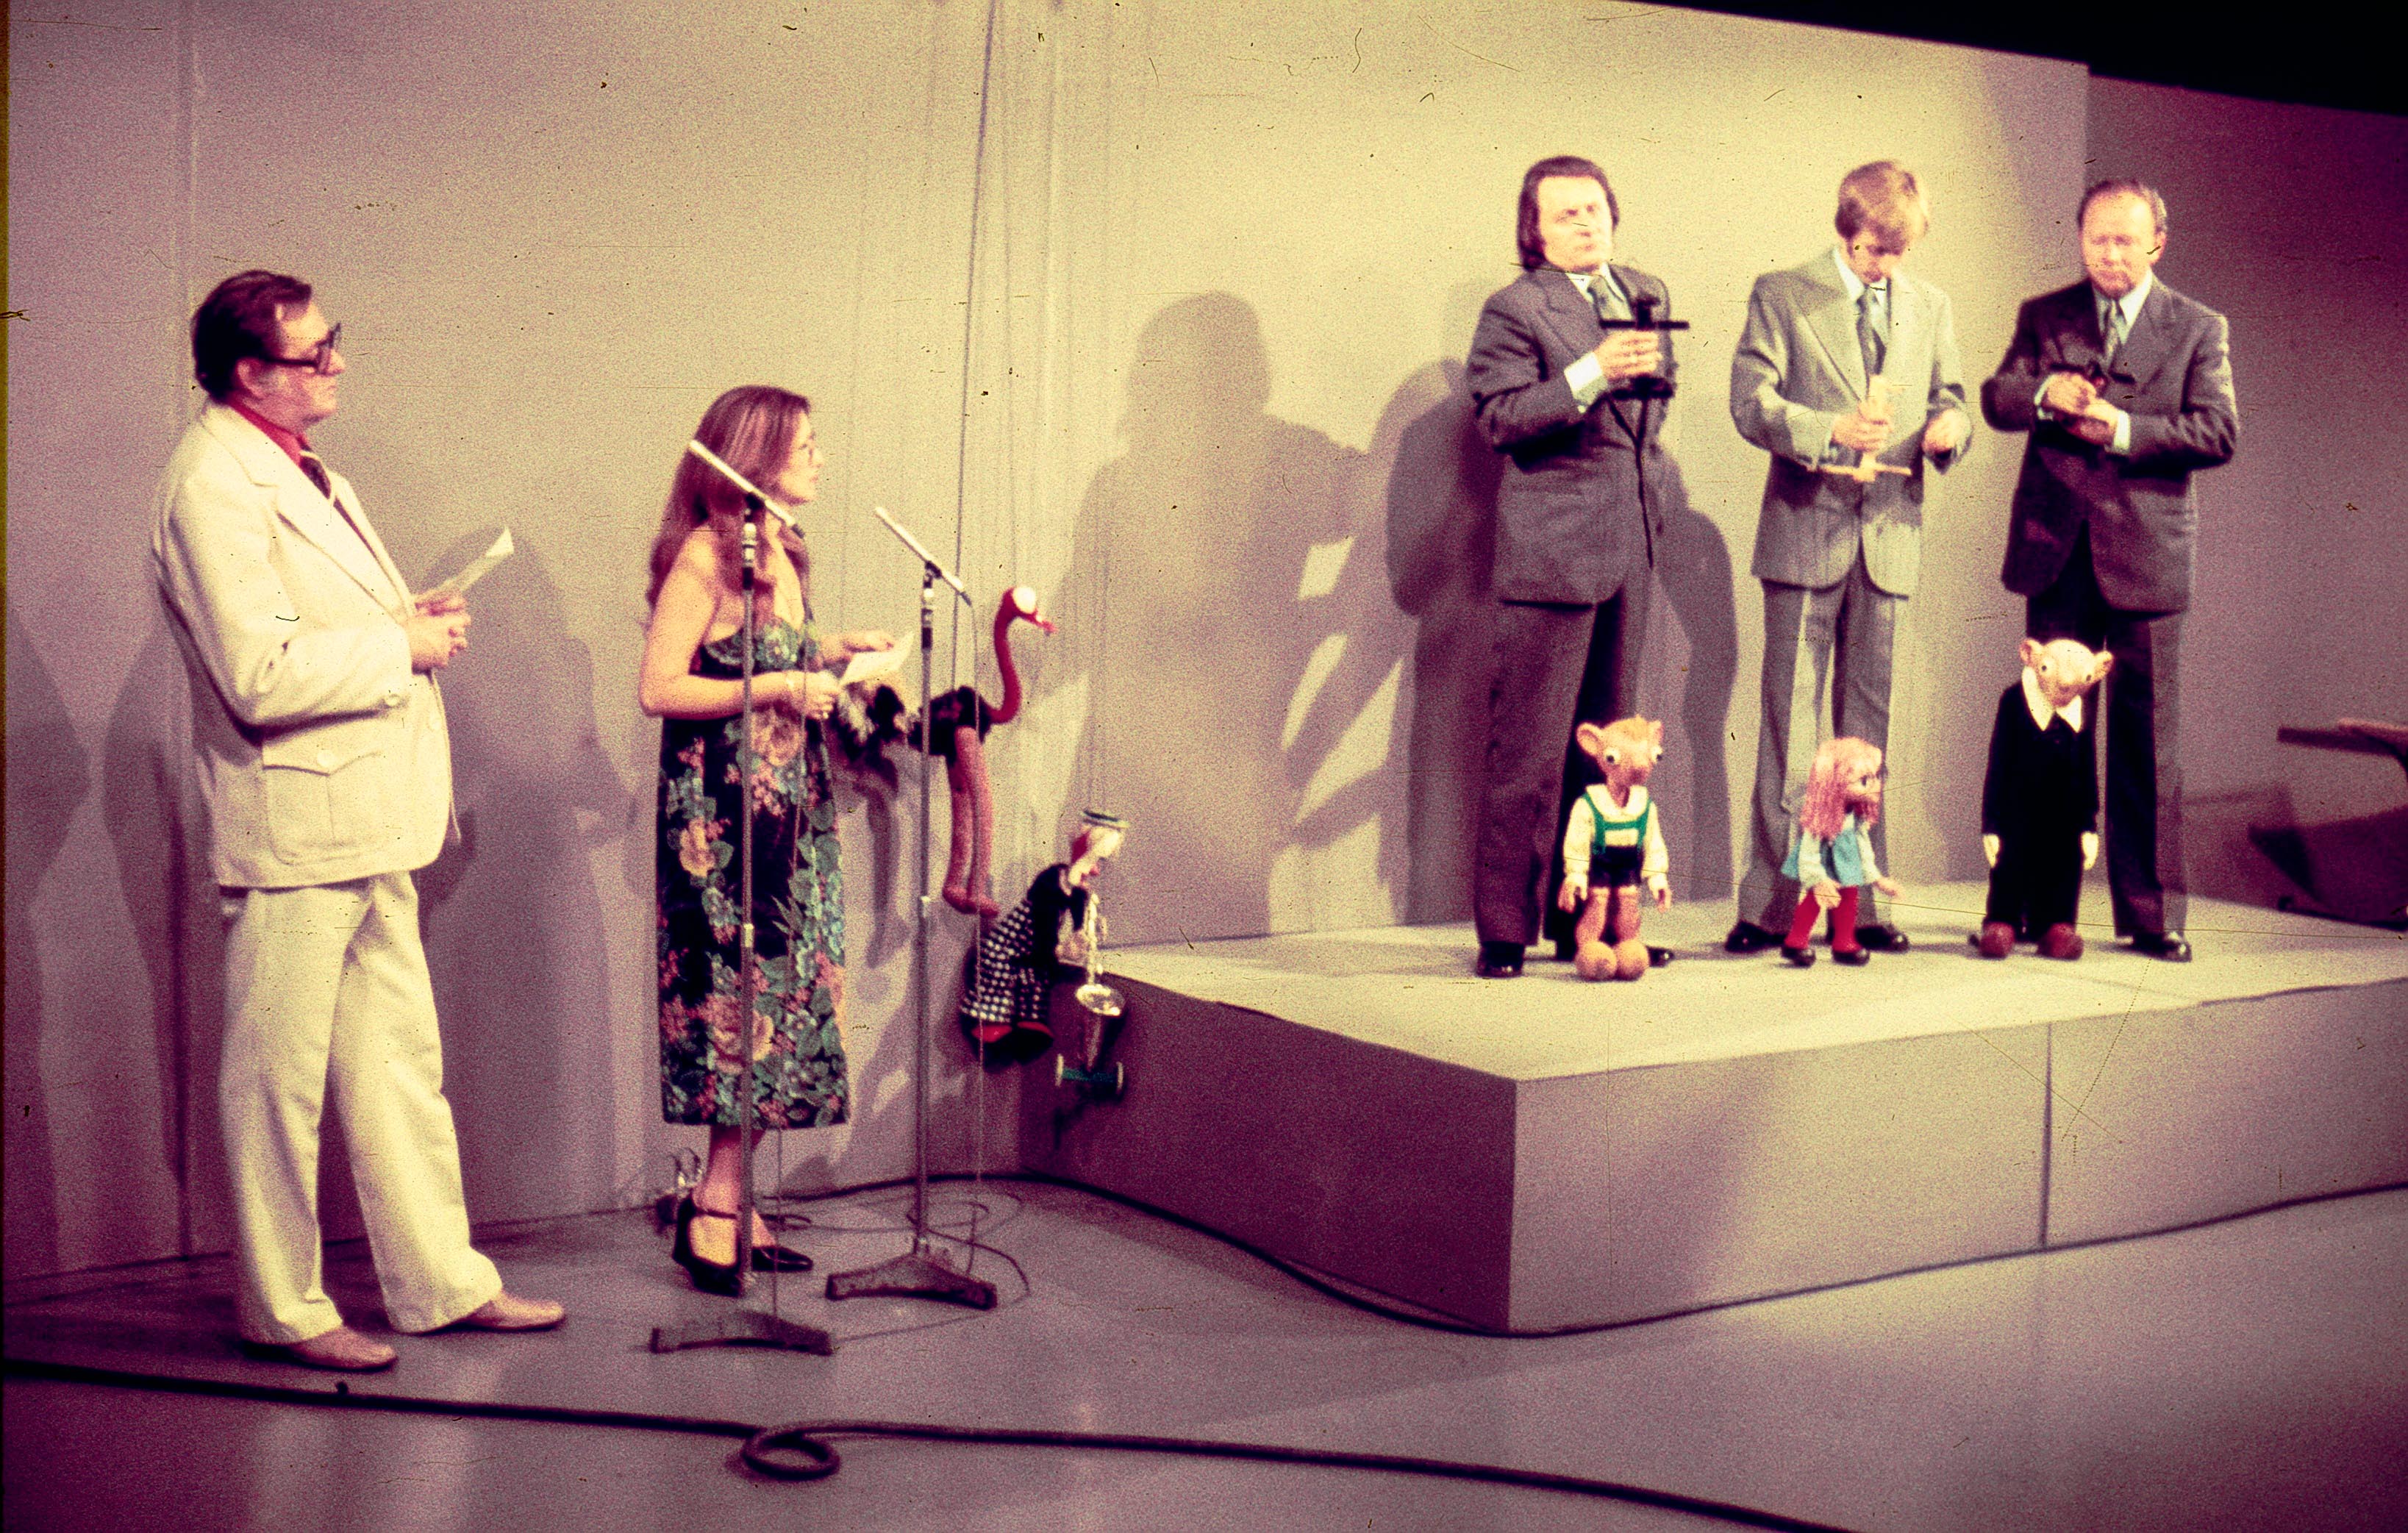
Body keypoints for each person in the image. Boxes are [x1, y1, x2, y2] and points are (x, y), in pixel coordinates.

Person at [152, 270, 562, 1372]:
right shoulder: (212, 484)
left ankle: (439, 1282)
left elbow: (311, 624)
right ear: (251, 373)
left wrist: (396, 616)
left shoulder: (303, 467)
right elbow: (257, 671)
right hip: (295, 831)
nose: (336, 363)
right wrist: (399, 648)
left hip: (364, 819)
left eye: (333, 340)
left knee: (397, 1064)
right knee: (276, 1082)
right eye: (314, 351)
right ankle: (283, 1306)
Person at [638, 385, 890, 1293]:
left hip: (789, 814)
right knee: (738, 1003)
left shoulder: (779, 547)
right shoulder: (706, 555)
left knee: (781, 1004)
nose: (820, 458)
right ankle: (713, 1206)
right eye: (805, 444)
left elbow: (757, 651)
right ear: (757, 454)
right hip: (724, 824)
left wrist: (829, 651)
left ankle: (733, 1201)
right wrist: (782, 688)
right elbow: (660, 688)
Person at [1980, 179, 2238, 961]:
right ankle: (2037, 909)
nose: (2109, 253)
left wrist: (2122, 428)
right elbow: (1996, 397)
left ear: (2156, 242)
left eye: (2124, 240)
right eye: (2096, 239)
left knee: (2145, 743)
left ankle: (2152, 917)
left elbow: (2217, 430)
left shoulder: (2197, 327)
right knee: (2046, 739)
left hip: (2146, 557)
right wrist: (2041, 393)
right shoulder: (2044, 314)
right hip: (2055, 551)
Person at [1726, 161, 1971, 957]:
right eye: (1874, 251)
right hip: (1805, 533)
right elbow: (1750, 402)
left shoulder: (1928, 306)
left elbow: (1951, 400)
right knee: (1791, 730)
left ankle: (1860, 912)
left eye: (1899, 254)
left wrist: (1949, 431)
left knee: (1869, 733)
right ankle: (1772, 908)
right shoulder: (1782, 294)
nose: (1886, 267)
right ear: (1846, 231)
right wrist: (1828, 430)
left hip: (1889, 538)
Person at [1465, 154, 1679, 978]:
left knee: (1609, 755)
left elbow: (1650, 415)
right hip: (1552, 553)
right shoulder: (1515, 308)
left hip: (1629, 547)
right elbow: (1500, 418)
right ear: (1535, 232)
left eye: (1595, 209)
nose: (1587, 223)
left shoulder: (1643, 292)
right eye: (1566, 214)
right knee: (1526, 754)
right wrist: (1591, 372)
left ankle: (1585, 924)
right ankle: (1505, 931)